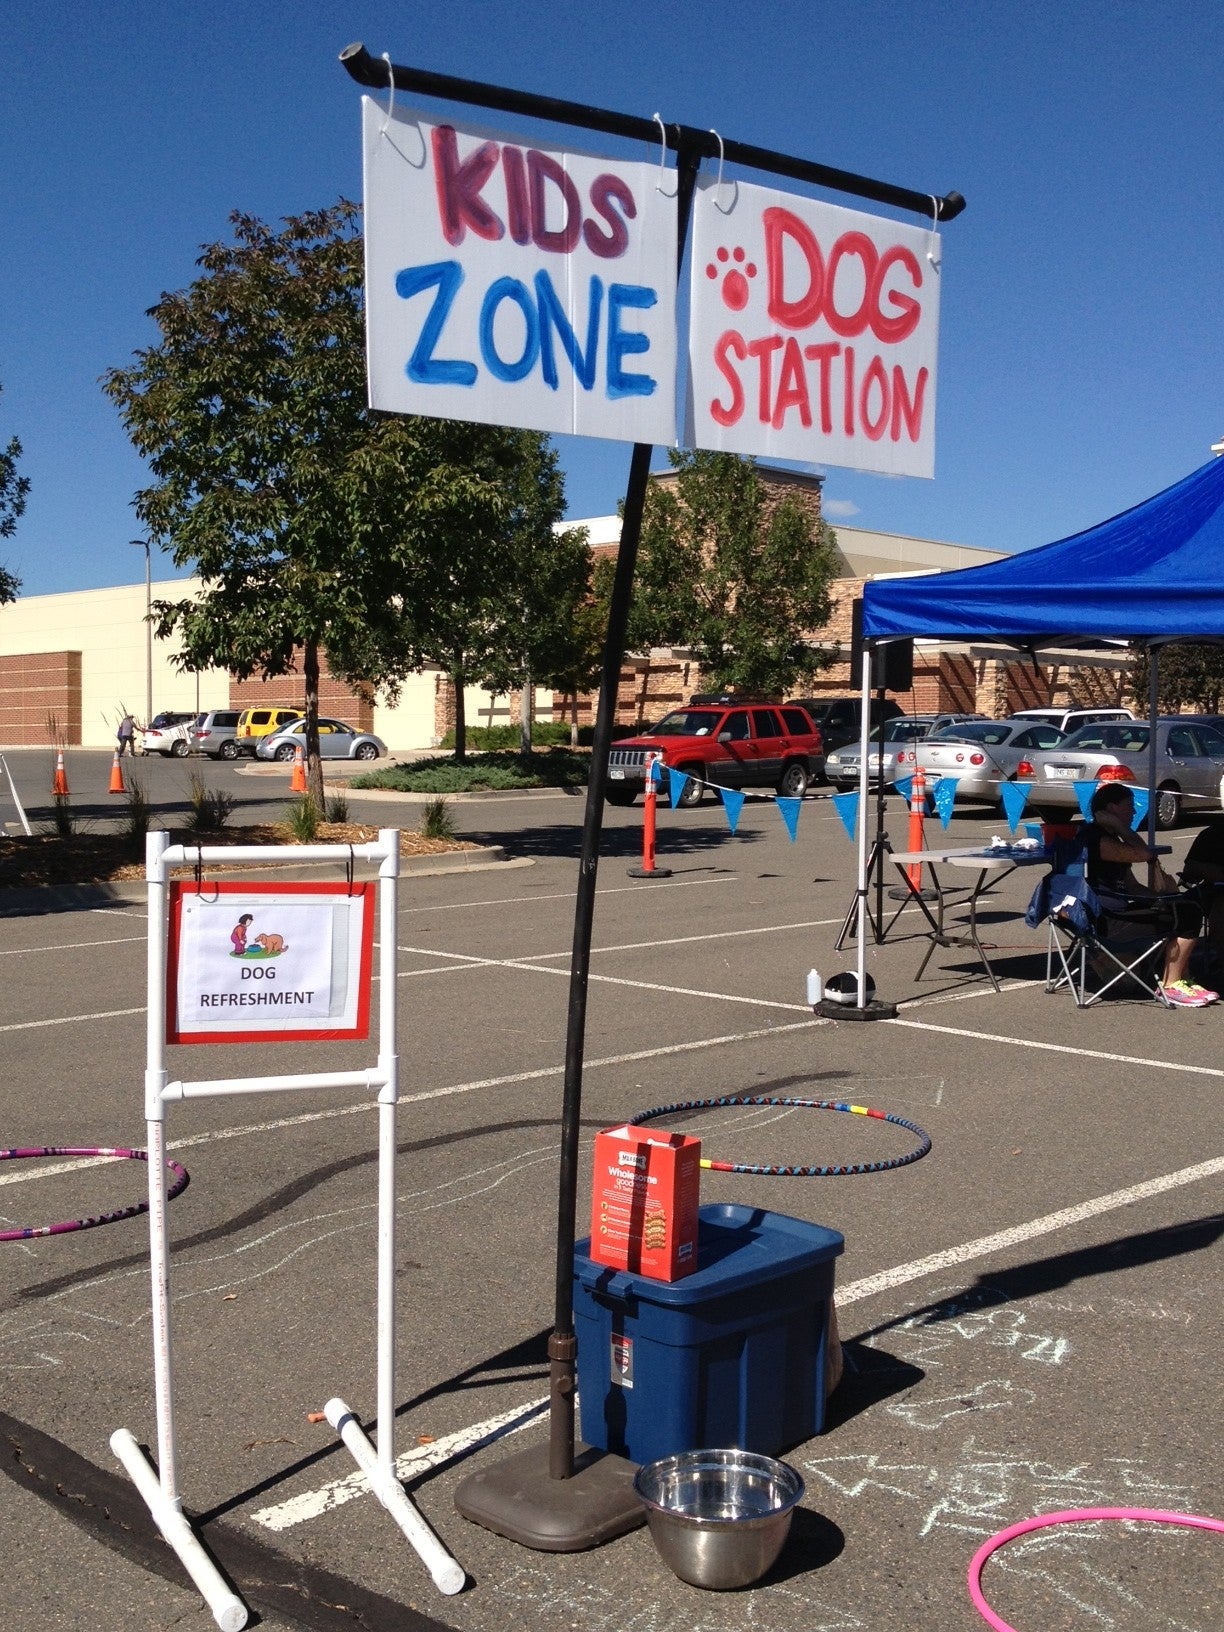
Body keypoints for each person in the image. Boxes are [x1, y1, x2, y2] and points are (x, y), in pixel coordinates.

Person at [1082, 783, 1216, 1007]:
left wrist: (1165, 900)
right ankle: (1171, 985)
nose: (1134, 812)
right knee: (1187, 916)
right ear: (1111, 808)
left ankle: (1183, 978)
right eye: (1129, 806)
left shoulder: (1109, 837)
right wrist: (1123, 829)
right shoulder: (1097, 838)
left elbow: (1133, 886)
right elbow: (1143, 854)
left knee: (1182, 906)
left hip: (1118, 909)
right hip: (1106, 918)